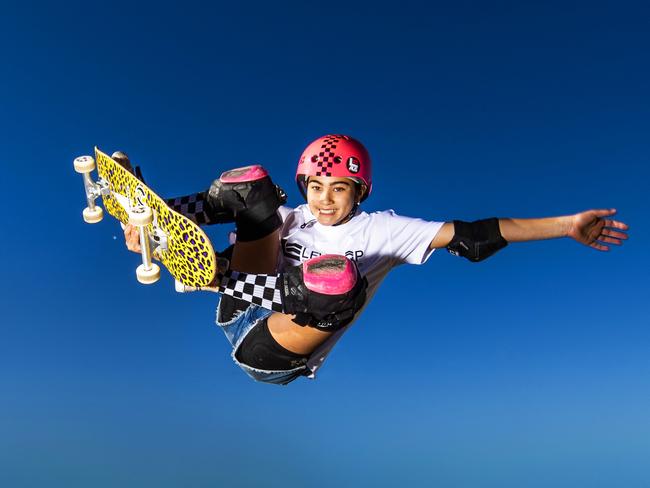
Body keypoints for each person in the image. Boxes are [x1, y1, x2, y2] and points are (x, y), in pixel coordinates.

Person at [121, 135, 629, 385]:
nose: (323, 200)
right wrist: (150, 227)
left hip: (275, 351)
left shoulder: (384, 229)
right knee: (253, 190)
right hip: (239, 302)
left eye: (337, 189)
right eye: (315, 188)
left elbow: (474, 236)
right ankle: (156, 210)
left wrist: (566, 225)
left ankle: (218, 273)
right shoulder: (291, 214)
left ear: (359, 190)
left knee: (336, 280)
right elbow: (254, 204)